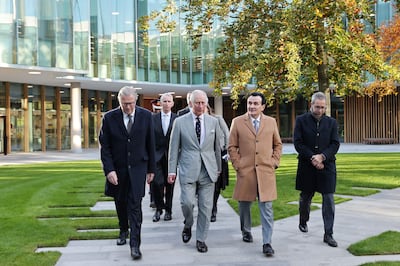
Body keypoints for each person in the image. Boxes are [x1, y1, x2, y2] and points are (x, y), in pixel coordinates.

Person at [99, 86, 156, 260]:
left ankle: (135, 245)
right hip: (118, 170)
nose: (128, 107)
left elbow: (151, 144)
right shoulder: (109, 118)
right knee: (121, 203)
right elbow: (105, 147)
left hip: (138, 169)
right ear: (119, 102)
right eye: (125, 104)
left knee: (135, 207)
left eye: (131, 103)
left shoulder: (146, 116)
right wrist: (109, 170)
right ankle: (123, 228)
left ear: (136, 100)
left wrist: (151, 169)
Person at [228, 91, 282, 257]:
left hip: (266, 172)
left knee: (267, 208)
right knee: (244, 206)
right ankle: (246, 230)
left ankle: (267, 242)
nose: (252, 106)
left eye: (255, 104)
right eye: (250, 103)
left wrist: (274, 162)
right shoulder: (237, 122)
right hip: (246, 173)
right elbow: (231, 147)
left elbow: (277, 145)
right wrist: (238, 165)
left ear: (263, 106)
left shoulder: (271, 122)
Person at [168, 89, 221, 253]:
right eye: (197, 103)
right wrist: (171, 170)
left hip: (208, 169)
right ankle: (188, 224)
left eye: (203, 103)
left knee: (206, 207)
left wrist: (218, 167)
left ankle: (201, 239)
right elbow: (173, 148)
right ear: (190, 103)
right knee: (187, 203)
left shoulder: (213, 122)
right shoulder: (180, 122)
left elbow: (217, 147)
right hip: (188, 169)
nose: (200, 106)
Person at [293, 91, 340, 247]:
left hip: (327, 166)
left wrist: (322, 157)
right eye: (317, 107)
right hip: (307, 165)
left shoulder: (332, 123)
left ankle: (329, 233)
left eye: (323, 107)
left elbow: (335, 144)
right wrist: (313, 157)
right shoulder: (301, 121)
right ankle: (303, 219)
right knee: (305, 197)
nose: (320, 110)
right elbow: (298, 143)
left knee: (328, 199)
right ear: (311, 105)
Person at [151, 93, 177, 222]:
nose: (166, 103)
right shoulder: (153, 119)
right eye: (164, 101)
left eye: (169, 101)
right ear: (160, 103)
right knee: (156, 183)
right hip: (156, 156)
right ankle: (158, 208)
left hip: (171, 157)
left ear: (172, 103)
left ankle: (168, 210)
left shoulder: (177, 119)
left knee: (170, 185)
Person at [206, 104, 230, 222]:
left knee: (216, 185)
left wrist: (226, 150)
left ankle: (213, 208)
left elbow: (227, 134)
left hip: (219, 156)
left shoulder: (217, 119)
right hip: (205, 157)